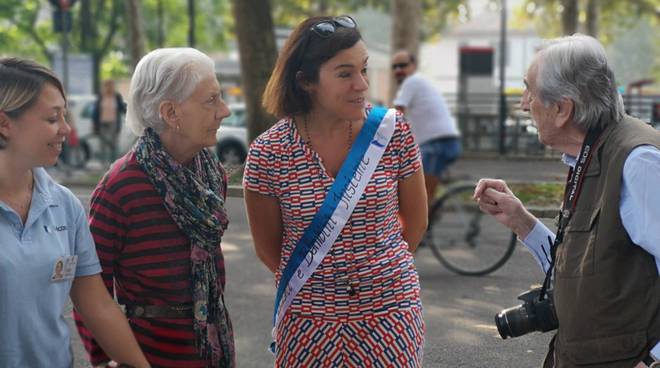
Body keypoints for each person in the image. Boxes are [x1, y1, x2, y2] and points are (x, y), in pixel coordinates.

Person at [243, 15, 428, 367]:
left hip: (390, 310)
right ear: (305, 82)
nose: (361, 84)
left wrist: (375, 273)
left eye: (364, 69)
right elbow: (270, 251)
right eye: (345, 74)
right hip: (306, 320)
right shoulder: (268, 153)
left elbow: (416, 225)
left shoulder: (393, 133)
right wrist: (324, 287)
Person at [473, 34, 660, 368]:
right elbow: (585, 270)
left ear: (562, 109)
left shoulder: (637, 162)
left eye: (529, 90)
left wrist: (653, 361)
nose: (523, 104)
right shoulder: (591, 153)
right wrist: (522, 222)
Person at [73, 48, 236, 368]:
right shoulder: (120, 187)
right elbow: (89, 295)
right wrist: (109, 360)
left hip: (211, 350)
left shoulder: (210, 173)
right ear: (171, 113)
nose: (225, 111)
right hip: (148, 355)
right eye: (211, 100)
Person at [0, 57, 150, 368]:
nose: (67, 130)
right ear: (4, 123)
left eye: (65, 116)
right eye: (53, 118)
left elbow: (96, 305)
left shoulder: (64, 205)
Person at [392, 49, 461, 207]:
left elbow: (396, 115)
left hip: (437, 145)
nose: (398, 70)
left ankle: (420, 229)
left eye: (402, 65)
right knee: (416, 190)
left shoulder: (412, 81)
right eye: (394, 67)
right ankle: (428, 219)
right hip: (443, 142)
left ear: (414, 66)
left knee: (420, 197)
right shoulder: (419, 83)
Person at [93, 79, 126, 163]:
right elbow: (96, 111)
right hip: (102, 123)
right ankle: (103, 163)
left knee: (113, 144)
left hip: (113, 123)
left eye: (111, 85)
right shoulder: (101, 96)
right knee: (103, 144)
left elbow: (122, 108)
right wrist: (94, 125)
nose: (109, 87)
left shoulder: (117, 96)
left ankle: (114, 163)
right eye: (107, 85)